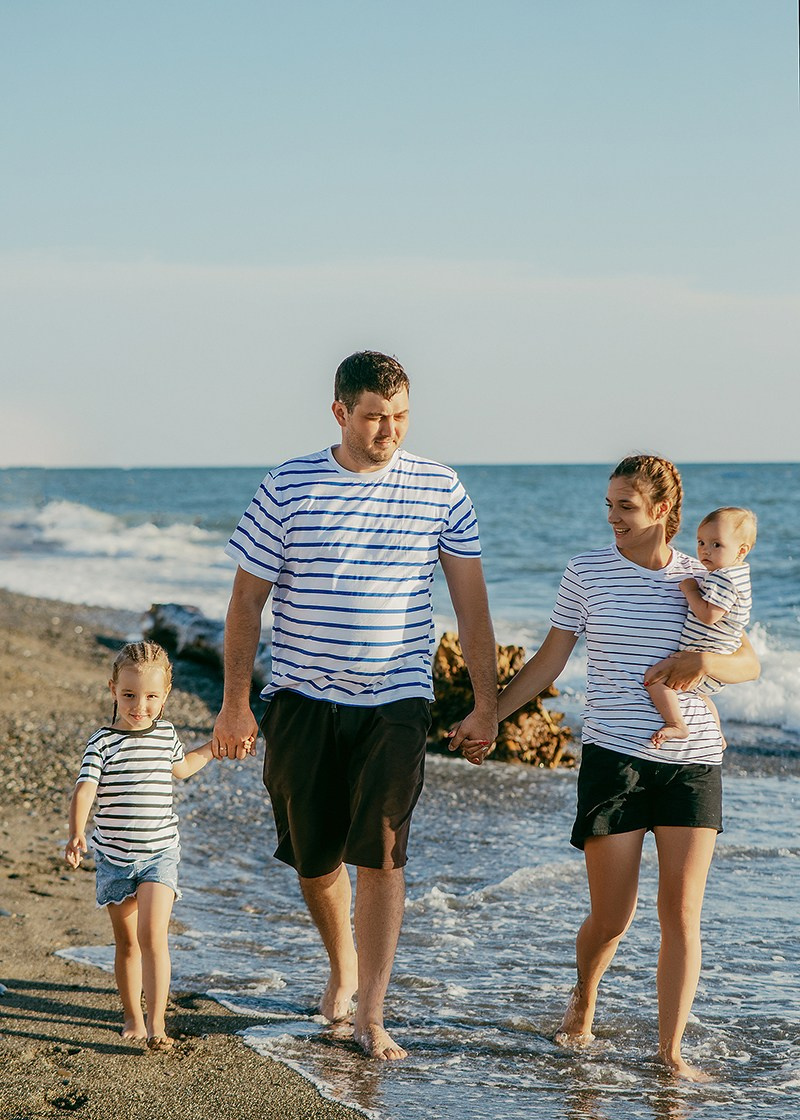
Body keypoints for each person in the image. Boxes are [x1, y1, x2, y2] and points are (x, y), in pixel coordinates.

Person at [212, 350, 498, 1061]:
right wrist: (234, 705)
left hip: (397, 699)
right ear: (340, 412)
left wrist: (487, 703)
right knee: (314, 859)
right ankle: (341, 963)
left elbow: (472, 605)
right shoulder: (288, 485)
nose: (388, 431)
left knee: (383, 851)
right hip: (302, 699)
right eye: (374, 417)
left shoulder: (440, 488)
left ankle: (372, 1012)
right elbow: (248, 600)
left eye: (400, 417)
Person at [456, 455, 759, 1081]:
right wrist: (491, 715)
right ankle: (586, 991)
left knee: (680, 911)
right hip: (613, 761)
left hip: (692, 760)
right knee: (613, 916)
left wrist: (700, 664)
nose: (614, 517)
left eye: (626, 506)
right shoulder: (587, 572)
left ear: (663, 513)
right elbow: (548, 661)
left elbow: (746, 664)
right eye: (610, 505)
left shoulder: (706, 576)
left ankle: (670, 1051)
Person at [65, 641, 226, 1050]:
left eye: (152, 697)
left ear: (166, 695)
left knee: (154, 935)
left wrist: (213, 747)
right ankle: (132, 1015)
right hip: (115, 859)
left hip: (159, 854)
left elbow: (183, 768)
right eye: (130, 695)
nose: (140, 706)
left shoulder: (167, 733)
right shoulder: (102, 742)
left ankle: (157, 1024)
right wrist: (77, 831)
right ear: (113, 690)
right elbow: (86, 788)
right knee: (127, 942)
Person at [646, 506, 756, 747]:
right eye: (701, 542)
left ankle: (676, 724)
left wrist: (690, 590)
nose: (705, 550)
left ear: (741, 551)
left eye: (717, 545)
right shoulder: (736, 575)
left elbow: (708, 615)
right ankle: (717, 735)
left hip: (708, 655)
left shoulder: (723, 578)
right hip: (716, 658)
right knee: (699, 695)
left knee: (654, 679)